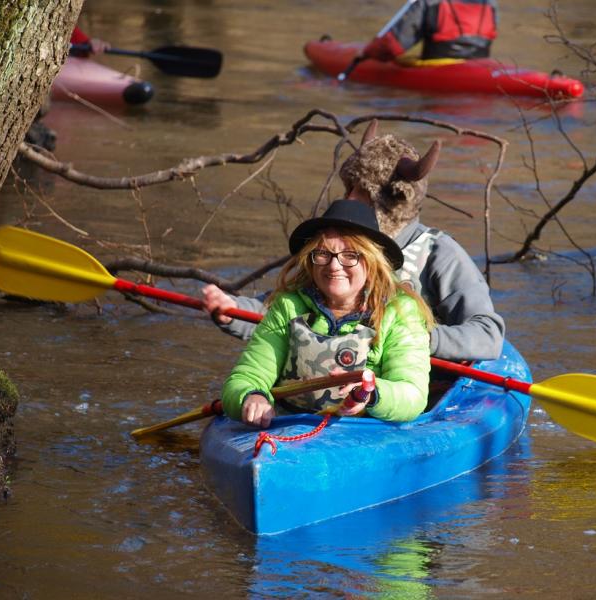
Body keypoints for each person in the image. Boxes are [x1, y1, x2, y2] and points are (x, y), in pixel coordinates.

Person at [203, 120, 506, 362]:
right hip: (331, 376)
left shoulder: (439, 253)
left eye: (359, 192)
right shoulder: (333, 250)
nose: (347, 199)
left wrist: (419, 339)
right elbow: (281, 310)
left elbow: (487, 334)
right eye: (348, 188)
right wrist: (232, 309)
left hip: (410, 384)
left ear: (391, 201)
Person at [221, 200, 434, 428]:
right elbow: (245, 377)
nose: (334, 266)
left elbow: (413, 395)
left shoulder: (401, 311)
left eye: (350, 255)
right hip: (288, 425)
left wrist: (371, 393)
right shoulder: (288, 306)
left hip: (362, 431)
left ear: (372, 261)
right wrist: (252, 396)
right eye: (323, 254)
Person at [361, 0, 498, 62]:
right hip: (480, 64)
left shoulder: (429, 1)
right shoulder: (490, 2)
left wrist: (366, 52)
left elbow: (393, 47)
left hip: (439, 67)